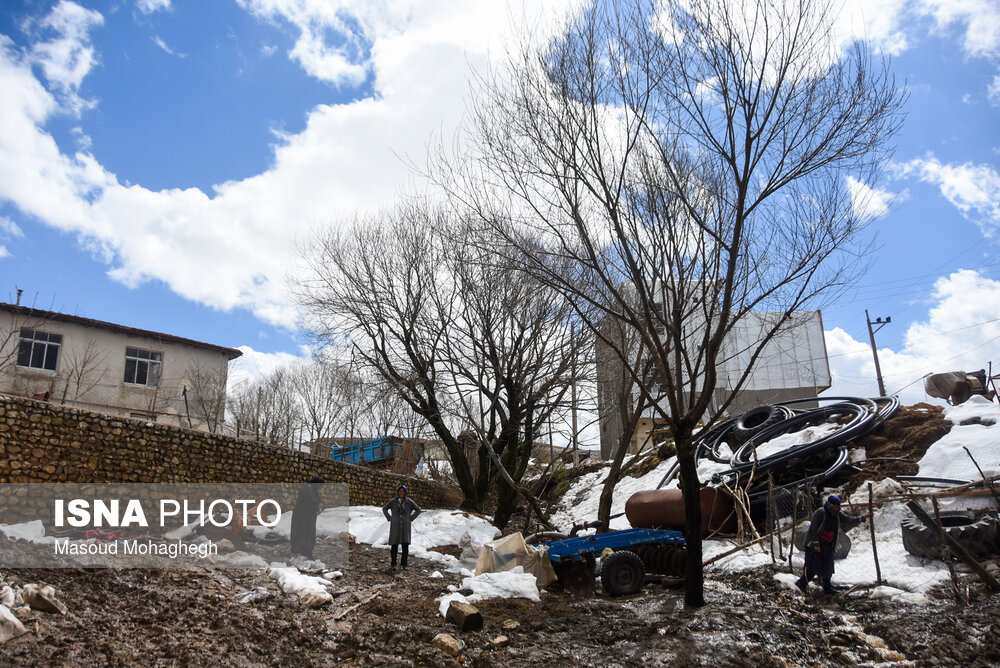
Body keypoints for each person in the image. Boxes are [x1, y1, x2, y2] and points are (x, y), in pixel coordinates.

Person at [796, 494, 864, 594]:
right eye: (834, 507)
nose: (836, 509)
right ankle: (800, 585)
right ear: (829, 505)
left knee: (828, 567)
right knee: (812, 568)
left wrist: (861, 518)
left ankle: (827, 588)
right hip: (815, 545)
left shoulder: (837, 514)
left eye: (837, 507)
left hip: (828, 545)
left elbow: (848, 519)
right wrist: (816, 544)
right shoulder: (820, 513)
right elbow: (813, 529)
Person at [382, 485, 421, 571]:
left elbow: (418, 510)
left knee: (405, 546)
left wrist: (410, 518)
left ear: (405, 492)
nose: (401, 493)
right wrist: (389, 517)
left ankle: (404, 564)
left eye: (403, 491)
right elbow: (384, 509)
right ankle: (393, 563)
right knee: (394, 546)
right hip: (395, 526)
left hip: (405, 526)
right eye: (400, 491)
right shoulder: (393, 501)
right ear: (398, 492)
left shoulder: (409, 502)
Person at [290, 477, 324, 559]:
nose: (320, 489)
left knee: (306, 533)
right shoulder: (308, 489)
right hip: (303, 516)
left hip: (307, 516)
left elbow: (316, 501)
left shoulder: (311, 489)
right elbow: (312, 501)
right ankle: (303, 552)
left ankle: (305, 551)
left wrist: (318, 507)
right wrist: (317, 508)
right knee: (304, 533)